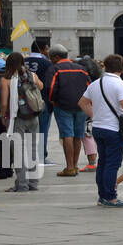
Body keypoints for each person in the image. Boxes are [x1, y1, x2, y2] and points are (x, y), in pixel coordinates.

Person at [81, 55, 123, 208]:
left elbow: (82, 103)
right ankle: (110, 197)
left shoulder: (95, 83)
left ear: (105, 67)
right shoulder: (119, 84)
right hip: (113, 129)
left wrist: (95, 115)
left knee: (102, 162)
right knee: (112, 164)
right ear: (121, 68)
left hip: (98, 128)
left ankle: (102, 195)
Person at [0, 52, 43, 193]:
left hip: (17, 119)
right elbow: (41, 87)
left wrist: (3, 116)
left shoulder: (6, 79)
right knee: (33, 150)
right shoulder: (32, 75)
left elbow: (4, 103)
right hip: (34, 117)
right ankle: (33, 183)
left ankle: (22, 185)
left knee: (18, 152)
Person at [44, 44, 91, 176]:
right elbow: (89, 86)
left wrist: (52, 100)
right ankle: (75, 165)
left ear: (56, 57)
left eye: (51, 57)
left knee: (67, 135)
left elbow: (50, 88)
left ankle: (69, 167)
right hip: (81, 106)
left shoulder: (54, 69)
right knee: (78, 135)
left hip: (63, 105)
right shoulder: (81, 69)